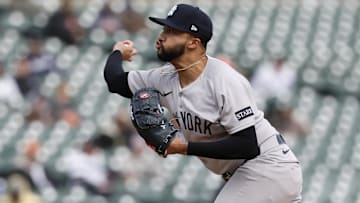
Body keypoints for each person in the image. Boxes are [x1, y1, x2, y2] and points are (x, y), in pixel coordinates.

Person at [103, 4, 302, 203]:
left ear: (193, 43)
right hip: (247, 175)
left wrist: (183, 147)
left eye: (171, 31)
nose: (161, 36)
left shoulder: (223, 79)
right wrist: (118, 52)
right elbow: (115, 82)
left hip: (268, 165)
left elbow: (247, 145)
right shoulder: (163, 78)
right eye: (164, 29)